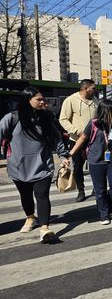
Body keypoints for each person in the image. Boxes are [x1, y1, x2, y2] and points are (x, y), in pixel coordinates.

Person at [0, 87, 71, 243]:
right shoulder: (11, 118)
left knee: (42, 195)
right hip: (19, 166)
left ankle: (44, 228)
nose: (42, 102)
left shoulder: (46, 117)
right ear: (27, 100)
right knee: (25, 195)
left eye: (43, 99)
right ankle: (31, 217)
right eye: (38, 99)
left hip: (42, 164)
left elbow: (56, 138)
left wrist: (63, 155)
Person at [70, 100, 112, 225]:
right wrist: (71, 153)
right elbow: (82, 138)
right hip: (96, 160)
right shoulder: (93, 124)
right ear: (107, 110)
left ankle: (108, 203)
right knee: (100, 189)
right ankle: (104, 213)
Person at [59, 79, 97, 202]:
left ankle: (97, 188)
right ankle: (81, 190)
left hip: (93, 140)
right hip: (77, 140)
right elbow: (63, 119)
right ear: (86, 88)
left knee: (96, 165)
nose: (95, 90)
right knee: (78, 167)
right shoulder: (70, 100)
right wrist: (76, 131)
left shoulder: (95, 101)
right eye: (93, 88)